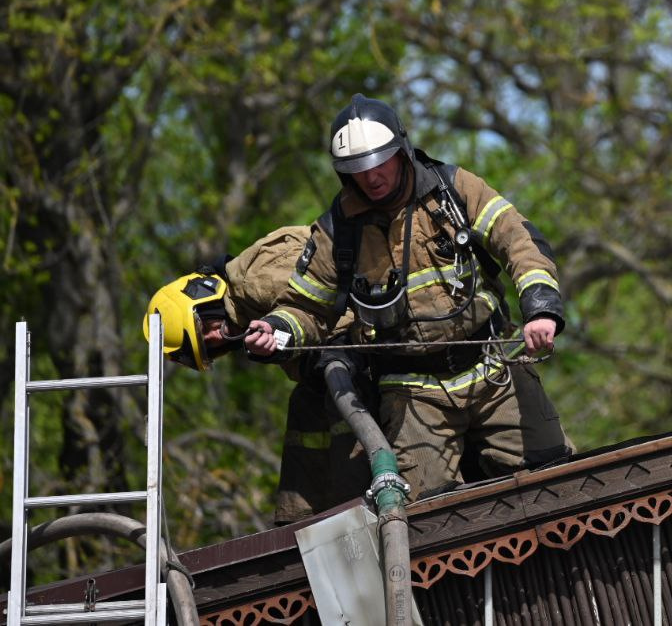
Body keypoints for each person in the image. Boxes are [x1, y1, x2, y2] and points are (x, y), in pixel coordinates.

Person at [246, 94, 572, 499]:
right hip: (412, 393)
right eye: (358, 169)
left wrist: (540, 311)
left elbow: (519, 240)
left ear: (401, 151)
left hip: (493, 370)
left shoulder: (454, 190)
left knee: (558, 481)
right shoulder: (337, 231)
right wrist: (276, 331)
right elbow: (307, 307)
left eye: (379, 162)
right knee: (427, 519)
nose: (371, 177)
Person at [143, 227, 372, 524]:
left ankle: (354, 514)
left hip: (370, 349)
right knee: (305, 403)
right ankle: (299, 527)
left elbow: (325, 306)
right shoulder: (245, 307)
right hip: (339, 367)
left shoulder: (255, 278)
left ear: (202, 295)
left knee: (335, 394)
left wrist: (295, 337)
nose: (220, 337)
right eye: (211, 347)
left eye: (207, 328)